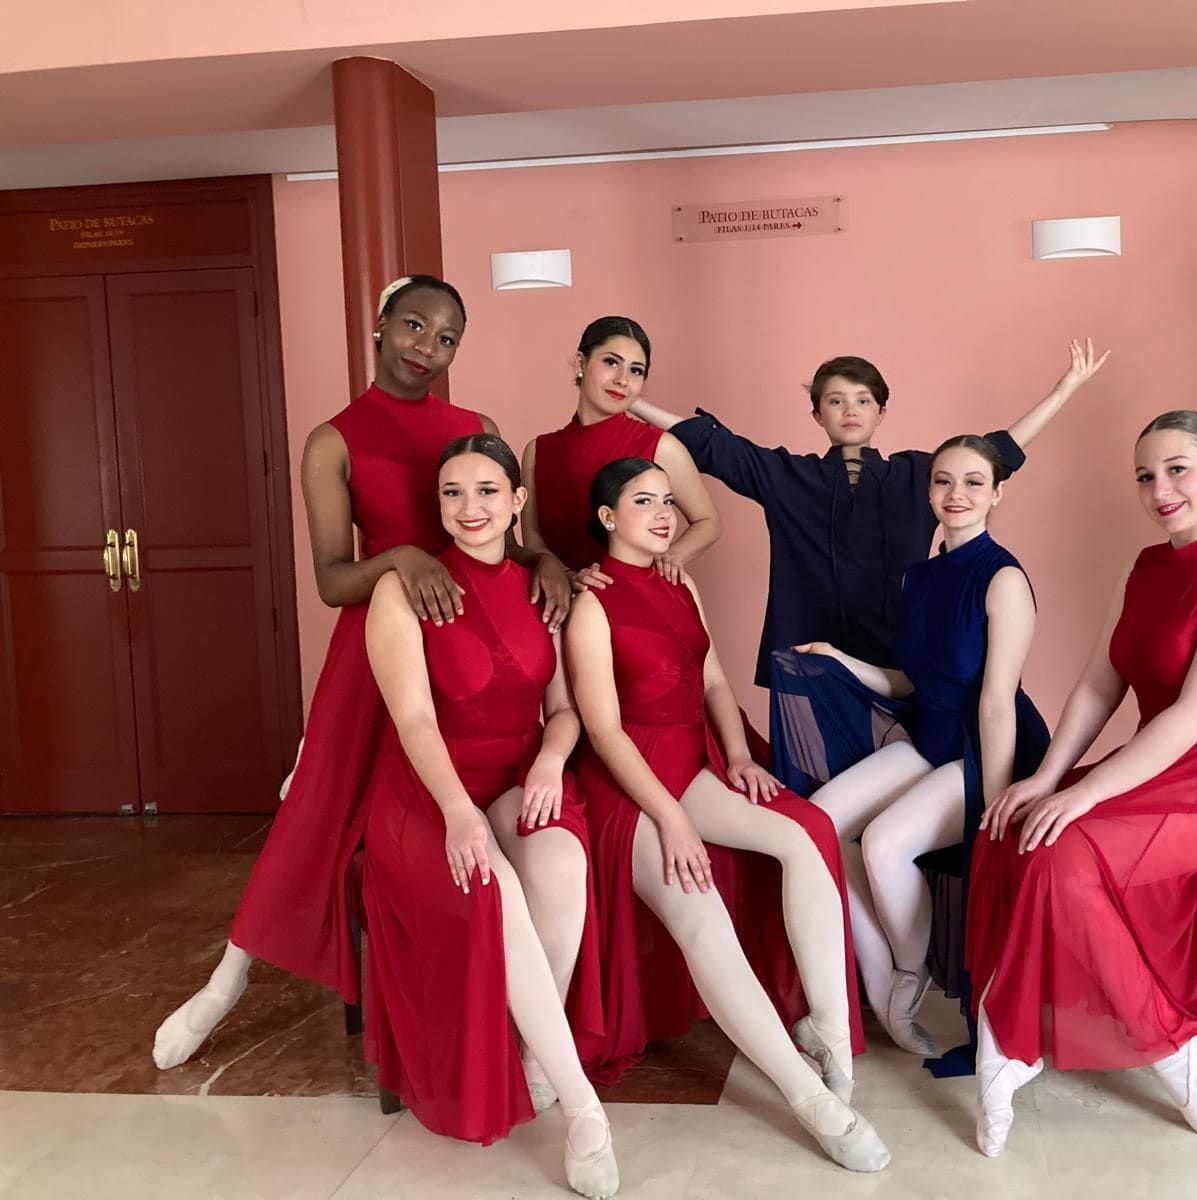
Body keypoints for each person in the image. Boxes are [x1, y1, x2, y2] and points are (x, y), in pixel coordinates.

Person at [153, 275, 567, 1069]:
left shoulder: (474, 425)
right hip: (373, 658)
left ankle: (508, 1007)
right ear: (379, 327)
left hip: (471, 649)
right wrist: (403, 558)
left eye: (446, 339)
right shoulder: (332, 439)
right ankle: (224, 983)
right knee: (312, 823)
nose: (426, 348)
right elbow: (331, 578)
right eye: (413, 326)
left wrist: (546, 558)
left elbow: (509, 532)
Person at [966, 410, 1197, 1156]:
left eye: (1178, 467)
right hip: (1159, 772)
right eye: (1146, 475)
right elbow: (1095, 686)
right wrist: (1045, 777)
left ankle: (1163, 1041)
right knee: (1007, 826)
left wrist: (1083, 794)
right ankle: (1009, 1036)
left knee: (1064, 852)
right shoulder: (1143, 566)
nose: (1159, 488)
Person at [563, 458, 889, 1173]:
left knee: (808, 837)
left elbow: (712, 676)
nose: (663, 512)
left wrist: (738, 755)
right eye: (641, 500)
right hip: (630, 787)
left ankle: (832, 1036)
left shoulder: (682, 582)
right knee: (699, 904)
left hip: (695, 763)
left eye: (668, 500)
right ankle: (810, 1100)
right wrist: (672, 820)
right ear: (607, 517)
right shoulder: (592, 603)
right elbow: (605, 731)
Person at [627, 341, 1105, 794]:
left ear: (881, 411)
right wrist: (635, 401)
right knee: (818, 790)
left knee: (901, 791)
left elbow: (993, 453)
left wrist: (1063, 391)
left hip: (895, 665)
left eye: (862, 400)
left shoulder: (920, 476)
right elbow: (714, 446)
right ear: (817, 414)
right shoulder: (787, 477)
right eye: (835, 401)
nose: (850, 410)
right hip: (811, 664)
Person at [361, 434, 615, 1197]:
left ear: (517, 501)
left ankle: (537, 1057)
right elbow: (412, 721)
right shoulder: (403, 591)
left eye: (485, 491)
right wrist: (455, 813)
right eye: (451, 493)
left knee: (564, 863)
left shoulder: (544, 586)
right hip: (426, 791)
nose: (469, 509)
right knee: (495, 886)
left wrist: (547, 762)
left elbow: (564, 709)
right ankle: (584, 1108)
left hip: (516, 772)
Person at [792, 435, 1049, 1059]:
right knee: (814, 829)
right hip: (930, 734)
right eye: (942, 481)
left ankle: (908, 980)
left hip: (990, 746)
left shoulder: (1004, 578)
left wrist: (994, 804)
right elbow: (910, 681)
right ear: (929, 490)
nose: (955, 495)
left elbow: (994, 703)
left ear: (997, 493)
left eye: (972, 482)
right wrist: (840, 661)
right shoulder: (920, 574)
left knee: (883, 843)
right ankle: (886, 980)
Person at [522, 316, 720, 587]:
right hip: (562, 606)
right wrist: (569, 577)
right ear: (581, 362)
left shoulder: (662, 447)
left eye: (636, 370)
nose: (623, 380)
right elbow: (534, 543)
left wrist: (672, 556)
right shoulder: (538, 451)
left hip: (638, 601)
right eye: (611, 362)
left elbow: (708, 521)